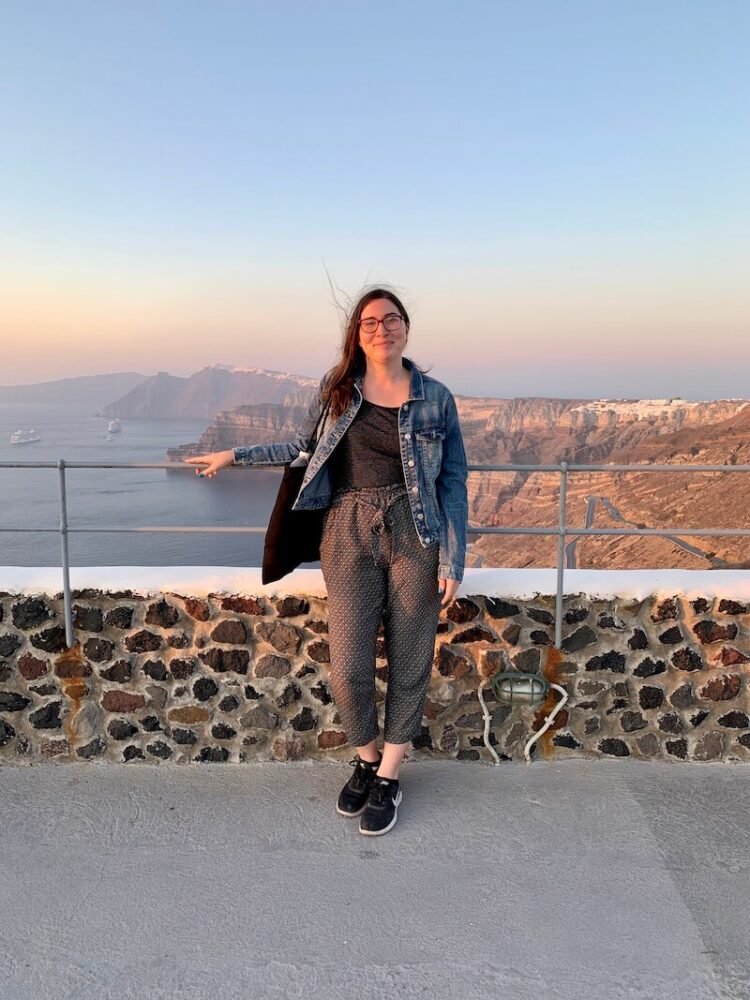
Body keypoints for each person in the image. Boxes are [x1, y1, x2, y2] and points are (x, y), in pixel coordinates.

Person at [185, 286, 468, 835]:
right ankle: (365, 756)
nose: (381, 329)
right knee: (349, 666)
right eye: (369, 322)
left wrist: (453, 558)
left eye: (391, 320)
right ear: (356, 334)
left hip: (416, 531)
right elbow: (303, 448)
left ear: (406, 328)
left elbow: (452, 478)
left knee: (410, 658)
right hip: (347, 530)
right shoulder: (339, 390)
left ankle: (387, 776)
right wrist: (234, 455)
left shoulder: (436, 397)